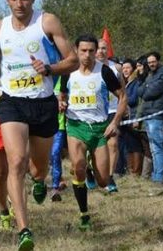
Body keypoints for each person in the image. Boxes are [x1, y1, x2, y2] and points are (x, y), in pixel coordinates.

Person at [0, 0, 78, 250]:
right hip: (11, 101)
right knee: (16, 161)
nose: (19, 4)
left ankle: (39, 181)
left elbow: (72, 60)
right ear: (7, 0)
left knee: (39, 167)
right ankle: (24, 229)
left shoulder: (47, 22)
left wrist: (49, 69)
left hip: (43, 102)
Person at [62, 34, 126, 230]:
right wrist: (61, 102)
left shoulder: (104, 71)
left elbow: (123, 97)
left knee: (103, 180)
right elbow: (60, 94)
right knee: (77, 167)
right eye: (83, 51)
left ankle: (91, 165)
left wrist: (114, 122)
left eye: (91, 50)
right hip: (76, 125)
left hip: (99, 129)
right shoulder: (69, 72)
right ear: (76, 51)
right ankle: (84, 214)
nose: (88, 55)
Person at [92, 39, 123, 193]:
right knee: (90, 146)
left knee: (113, 144)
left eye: (104, 48)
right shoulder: (89, 67)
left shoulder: (116, 67)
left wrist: (125, 107)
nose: (101, 51)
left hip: (111, 110)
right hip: (93, 111)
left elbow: (122, 91)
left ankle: (110, 177)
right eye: (98, 48)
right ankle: (90, 172)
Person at [138, 52, 163, 191]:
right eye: (149, 63)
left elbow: (151, 93)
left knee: (157, 148)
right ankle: (157, 177)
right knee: (154, 148)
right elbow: (140, 91)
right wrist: (147, 86)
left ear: (158, 61)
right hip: (149, 115)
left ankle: (158, 179)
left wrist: (147, 88)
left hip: (158, 116)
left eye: (153, 62)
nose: (151, 64)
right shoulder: (149, 75)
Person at [122, 59, 144, 176]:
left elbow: (134, 99)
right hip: (125, 118)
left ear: (134, 69)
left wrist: (121, 100)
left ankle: (136, 171)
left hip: (133, 117)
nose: (125, 70)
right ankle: (130, 170)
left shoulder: (136, 82)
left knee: (135, 144)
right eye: (123, 68)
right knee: (128, 144)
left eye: (128, 67)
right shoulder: (125, 83)